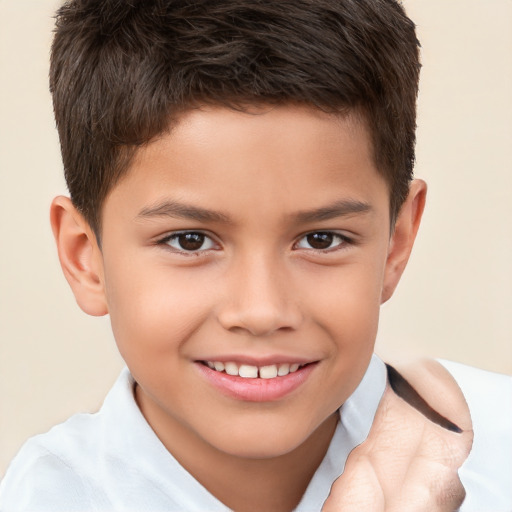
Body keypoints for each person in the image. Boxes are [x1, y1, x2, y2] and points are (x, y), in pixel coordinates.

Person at [0, 0, 510, 510]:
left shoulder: (496, 460)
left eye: (321, 240)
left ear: (396, 244)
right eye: (190, 240)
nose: (262, 311)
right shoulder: (45, 498)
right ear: (85, 257)